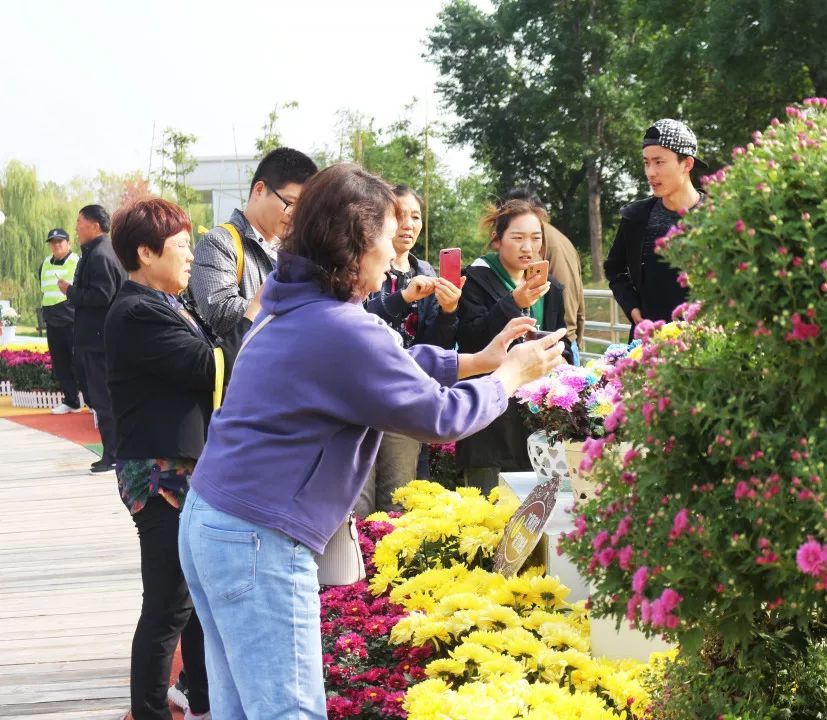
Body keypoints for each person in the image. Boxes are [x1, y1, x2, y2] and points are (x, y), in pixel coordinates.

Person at [178, 164, 565, 718]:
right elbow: (438, 416)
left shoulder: (296, 302)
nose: (392, 252)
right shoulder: (338, 325)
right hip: (257, 536)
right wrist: (508, 378)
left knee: (242, 708)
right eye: (387, 234)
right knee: (288, 711)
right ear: (356, 240)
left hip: (217, 520)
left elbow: (392, 362)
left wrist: (478, 361)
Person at [106, 198, 257, 720]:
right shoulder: (136, 311)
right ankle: (148, 712)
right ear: (146, 253)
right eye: (181, 247)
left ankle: (205, 704)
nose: (191, 257)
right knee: (169, 605)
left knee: (194, 601)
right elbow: (207, 366)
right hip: (160, 474)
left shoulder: (168, 304)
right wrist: (255, 310)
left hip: (186, 470)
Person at [356, 185, 462, 516]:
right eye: (400, 216)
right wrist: (403, 298)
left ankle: (386, 566)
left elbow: (435, 346)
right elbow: (355, 321)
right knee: (356, 500)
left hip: (405, 396)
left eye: (415, 216)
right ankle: (350, 567)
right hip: (361, 394)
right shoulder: (365, 266)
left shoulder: (427, 273)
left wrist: (447, 312)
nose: (408, 224)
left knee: (397, 500)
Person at [456, 199, 573, 493]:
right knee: (486, 512)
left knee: (534, 515)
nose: (527, 248)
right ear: (498, 240)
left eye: (535, 238)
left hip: (535, 422)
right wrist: (513, 304)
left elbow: (564, 339)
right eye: (517, 238)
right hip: (489, 423)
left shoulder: (551, 289)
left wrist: (562, 356)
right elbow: (470, 338)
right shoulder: (474, 280)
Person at [188, 146, 317, 337]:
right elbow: (221, 311)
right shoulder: (218, 243)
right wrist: (296, 307)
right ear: (259, 190)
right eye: (290, 204)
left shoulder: (295, 251)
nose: (296, 216)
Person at [604, 118, 707, 331]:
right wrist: (632, 308)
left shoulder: (718, 216)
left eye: (659, 162)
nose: (651, 172)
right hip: (650, 346)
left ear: (687, 164)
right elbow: (615, 270)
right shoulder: (636, 217)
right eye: (646, 162)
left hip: (708, 345)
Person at [59, 204, 126, 473]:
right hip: (99, 338)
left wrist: (71, 291)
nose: (76, 228)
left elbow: (101, 297)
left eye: (80, 222)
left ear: (95, 226)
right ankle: (114, 452)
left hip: (99, 341)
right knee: (102, 397)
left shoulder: (100, 254)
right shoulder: (103, 251)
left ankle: (112, 454)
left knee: (103, 397)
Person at [502, 187, 586, 364]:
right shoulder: (556, 238)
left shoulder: (541, 241)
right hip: (564, 341)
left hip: (557, 345)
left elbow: (559, 293)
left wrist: (566, 346)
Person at [40, 227, 81, 414]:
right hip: (52, 320)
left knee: (79, 361)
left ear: (68, 243)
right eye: (52, 242)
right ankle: (71, 401)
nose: (56, 245)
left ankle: (93, 401)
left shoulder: (77, 261)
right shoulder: (45, 264)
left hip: (72, 319)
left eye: (60, 241)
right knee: (60, 363)